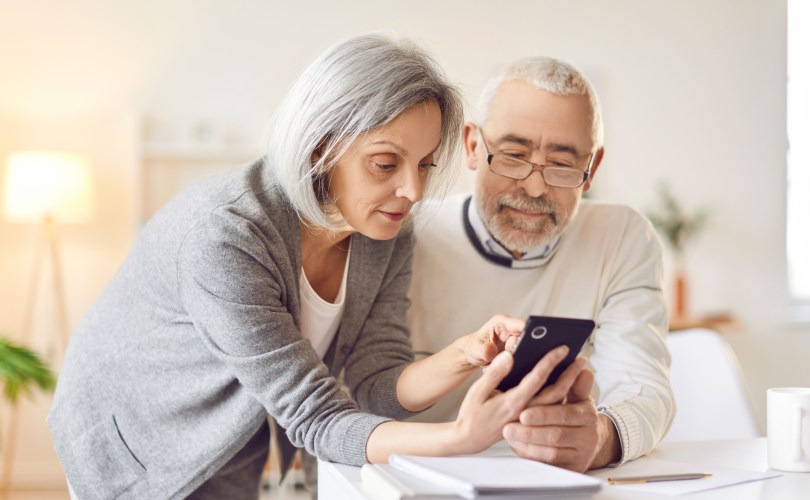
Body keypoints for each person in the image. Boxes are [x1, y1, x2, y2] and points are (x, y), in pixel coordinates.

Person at [47, 35, 580, 500]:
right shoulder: (225, 236)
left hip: (228, 442)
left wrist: (466, 353)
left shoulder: (384, 230)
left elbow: (375, 382)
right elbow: (316, 418)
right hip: (132, 441)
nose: (412, 191)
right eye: (385, 164)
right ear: (322, 146)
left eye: (423, 166)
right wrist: (459, 438)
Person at [409, 56, 676, 471]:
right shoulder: (408, 233)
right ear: (473, 146)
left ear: (592, 168)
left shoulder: (622, 237)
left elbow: (643, 386)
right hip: (411, 473)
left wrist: (602, 436)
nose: (535, 187)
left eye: (563, 165)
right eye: (513, 155)